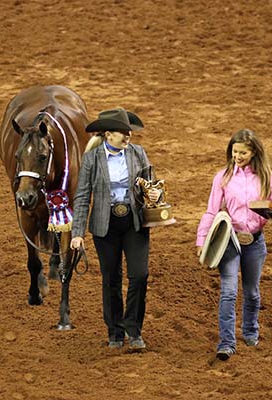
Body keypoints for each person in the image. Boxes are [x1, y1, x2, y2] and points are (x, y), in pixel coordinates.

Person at [71, 107, 161, 350]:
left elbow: (152, 185)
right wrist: (77, 233)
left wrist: (154, 193)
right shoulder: (91, 159)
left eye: (129, 132)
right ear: (108, 134)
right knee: (111, 278)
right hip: (105, 225)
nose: (128, 136)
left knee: (139, 275)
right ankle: (115, 332)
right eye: (123, 132)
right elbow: (82, 197)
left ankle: (133, 330)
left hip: (134, 222)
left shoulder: (138, 153)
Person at [196, 128, 272, 361]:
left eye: (243, 152)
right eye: (235, 152)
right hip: (231, 241)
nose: (237, 156)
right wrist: (202, 240)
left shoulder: (266, 176)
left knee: (252, 293)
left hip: (255, 241)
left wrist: (271, 212)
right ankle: (226, 342)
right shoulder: (222, 177)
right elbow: (211, 210)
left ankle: (250, 330)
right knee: (228, 292)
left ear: (253, 152)